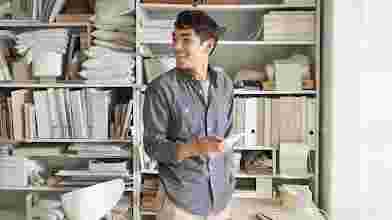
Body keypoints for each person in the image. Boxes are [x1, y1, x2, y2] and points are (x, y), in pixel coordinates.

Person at [143, 10, 235, 220]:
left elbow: (228, 140)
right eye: (175, 39)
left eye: (186, 40)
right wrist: (193, 148)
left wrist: (229, 180)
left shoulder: (225, 85)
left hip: (220, 201)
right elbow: (152, 146)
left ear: (208, 45)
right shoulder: (160, 89)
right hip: (180, 204)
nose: (176, 47)